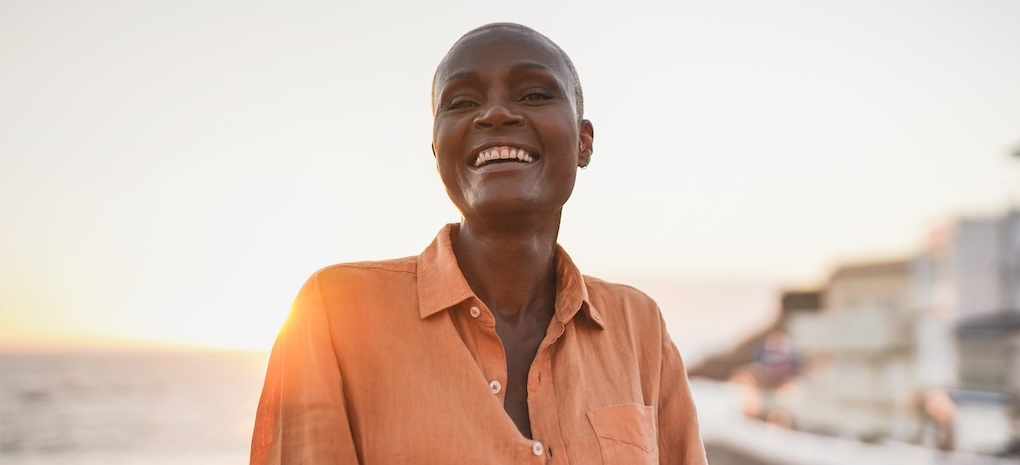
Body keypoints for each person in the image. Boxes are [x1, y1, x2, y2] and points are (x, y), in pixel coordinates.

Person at [250, 22, 707, 465]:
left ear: (584, 142)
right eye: (462, 101)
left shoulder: (638, 327)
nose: (495, 114)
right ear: (437, 150)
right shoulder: (336, 312)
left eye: (534, 94)